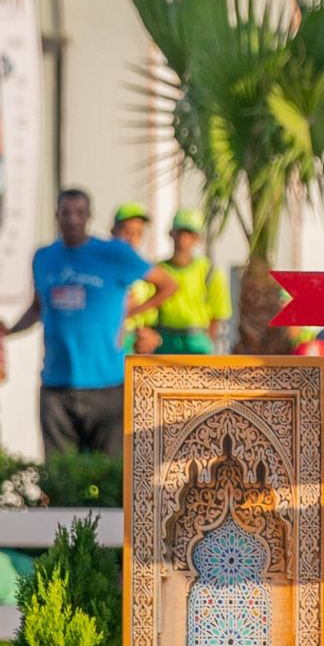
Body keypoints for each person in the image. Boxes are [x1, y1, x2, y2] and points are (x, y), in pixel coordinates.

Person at [0, 190, 179, 455]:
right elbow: (39, 307)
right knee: (60, 476)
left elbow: (168, 285)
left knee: (107, 476)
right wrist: (9, 330)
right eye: (66, 213)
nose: (72, 219)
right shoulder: (44, 257)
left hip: (105, 385)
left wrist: (129, 314)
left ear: (89, 217)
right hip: (56, 386)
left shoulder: (114, 254)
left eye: (79, 213)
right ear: (56, 216)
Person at [150, 209, 232, 354]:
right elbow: (148, 308)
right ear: (171, 234)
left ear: (198, 239)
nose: (183, 240)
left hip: (197, 340)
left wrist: (206, 342)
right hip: (163, 340)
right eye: (179, 234)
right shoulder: (158, 270)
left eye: (189, 235)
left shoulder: (210, 272)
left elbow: (218, 313)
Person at [113, 203, 161, 356]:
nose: (132, 238)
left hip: (135, 347)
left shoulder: (146, 274)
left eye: (138, 233)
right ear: (113, 231)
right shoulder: (101, 268)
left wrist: (152, 337)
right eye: (126, 231)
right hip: (106, 342)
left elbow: (152, 324)